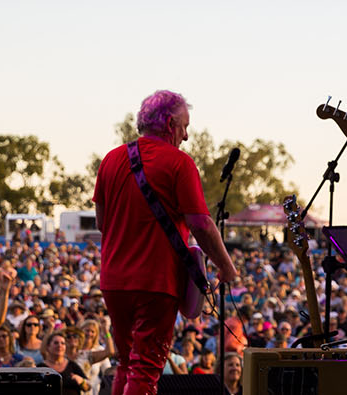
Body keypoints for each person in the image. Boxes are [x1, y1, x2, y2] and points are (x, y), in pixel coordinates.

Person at [92, 90, 239, 394]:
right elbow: (200, 222)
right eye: (184, 127)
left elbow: (101, 223)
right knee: (146, 368)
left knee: (126, 363)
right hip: (155, 282)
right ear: (170, 124)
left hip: (114, 280)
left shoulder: (110, 159)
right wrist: (226, 266)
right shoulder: (178, 163)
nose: (185, 136)